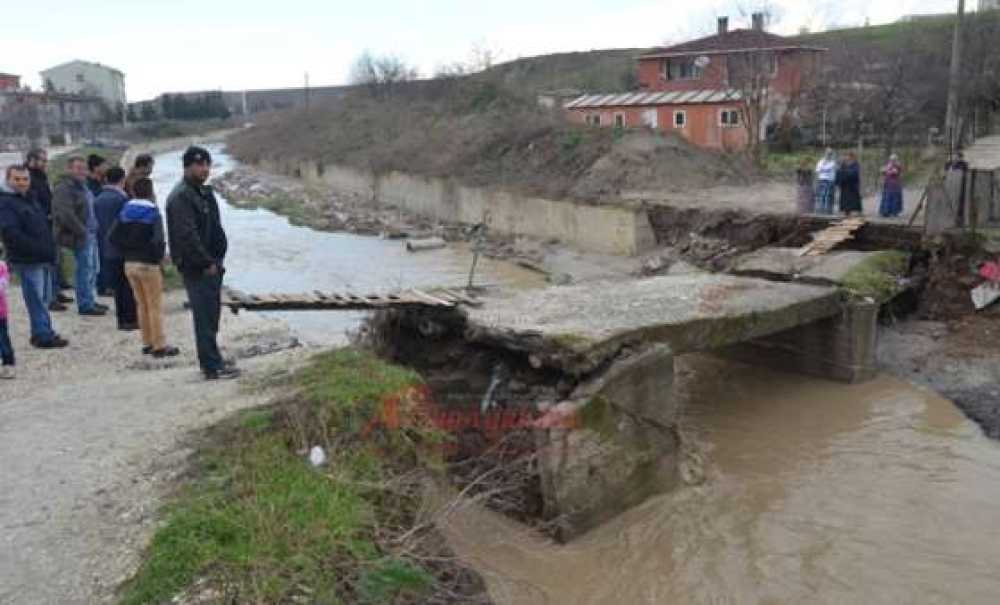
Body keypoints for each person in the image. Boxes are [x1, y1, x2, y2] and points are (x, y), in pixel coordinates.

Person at [166, 146, 239, 380]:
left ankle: (213, 359)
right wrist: (206, 262)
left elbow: (211, 227)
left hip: (211, 264)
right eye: (199, 165)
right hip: (198, 267)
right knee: (205, 317)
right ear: (187, 167)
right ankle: (211, 366)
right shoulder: (181, 196)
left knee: (211, 315)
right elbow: (187, 236)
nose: (204, 169)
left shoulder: (200, 192)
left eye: (207, 164)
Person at [0, 165, 68, 349]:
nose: (22, 183)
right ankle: (42, 335)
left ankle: (44, 331)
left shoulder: (30, 199)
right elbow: (10, 233)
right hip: (27, 260)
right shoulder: (6, 203)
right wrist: (36, 249)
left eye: (25, 179)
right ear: (8, 180)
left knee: (43, 299)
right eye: (17, 179)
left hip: (42, 257)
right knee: (36, 299)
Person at [110, 178, 179, 358]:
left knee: (141, 304)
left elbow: (112, 236)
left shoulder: (125, 211)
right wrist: (158, 258)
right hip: (148, 263)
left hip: (129, 263)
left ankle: (147, 342)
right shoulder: (153, 213)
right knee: (154, 306)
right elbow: (158, 240)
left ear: (133, 191)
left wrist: (126, 249)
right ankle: (159, 345)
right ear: (150, 192)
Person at [53, 156, 108, 316]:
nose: (81, 171)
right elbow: (65, 214)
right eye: (77, 168)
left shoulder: (82, 186)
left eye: (83, 168)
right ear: (69, 169)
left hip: (90, 233)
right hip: (79, 235)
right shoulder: (64, 188)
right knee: (83, 270)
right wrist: (82, 231)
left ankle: (90, 299)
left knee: (92, 269)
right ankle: (85, 304)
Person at [26, 148, 73, 309]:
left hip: (50, 222)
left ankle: (56, 290)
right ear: (32, 160)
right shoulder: (29, 177)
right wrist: (44, 215)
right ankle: (50, 297)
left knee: (55, 259)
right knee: (47, 261)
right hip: (42, 223)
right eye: (42, 160)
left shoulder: (40, 176)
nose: (46, 163)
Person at [94, 166, 138, 330]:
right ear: (122, 179)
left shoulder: (98, 199)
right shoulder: (122, 200)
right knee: (127, 286)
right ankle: (130, 319)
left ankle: (121, 320)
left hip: (106, 247)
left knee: (118, 287)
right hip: (122, 248)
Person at [836, 151, 863, 216]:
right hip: (845, 184)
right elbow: (839, 171)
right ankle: (846, 211)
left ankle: (855, 211)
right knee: (845, 198)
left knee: (853, 198)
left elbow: (855, 173)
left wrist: (847, 173)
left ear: (851, 157)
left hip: (852, 185)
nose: (846, 157)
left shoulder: (855, 164)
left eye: (848, 156)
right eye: (846, 156)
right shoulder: (843, 164)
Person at [879, 154, 904, 218]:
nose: (892, 161)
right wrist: (886, 170)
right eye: (891, 160)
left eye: (893, 160)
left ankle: (893, 212)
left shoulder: (898, 165)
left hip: (895, 185)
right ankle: (885, 212)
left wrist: (887, 171)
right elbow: (882, 170)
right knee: (886, 198)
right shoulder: (889, 165)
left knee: (894, 199)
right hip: (887, 184)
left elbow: (894, 172)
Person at [0, 260, 13, 378]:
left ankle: (8, 364)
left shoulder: (2, 267)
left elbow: (3, 285)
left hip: (0, 313)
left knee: (3, 339)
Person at [814, 148, 838, 214]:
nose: (828, 155)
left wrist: (823, 168)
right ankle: (821, 209)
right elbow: (817, 170)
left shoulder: (833, 162)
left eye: (830, 154)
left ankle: (827, 210)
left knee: (828, 195)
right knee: (821, 195)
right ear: (825, 154)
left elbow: (832, 169)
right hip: (822, 180)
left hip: (830, 180)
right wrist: (824, 168)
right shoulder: (820, 161)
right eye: (827, 153)